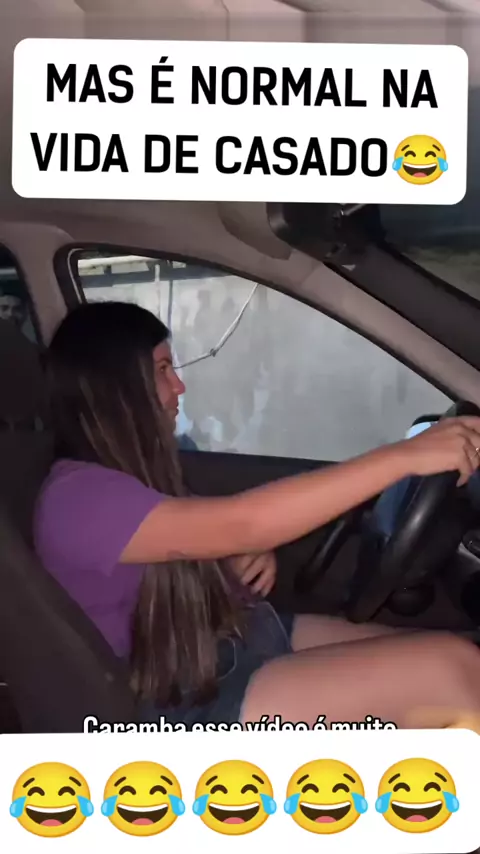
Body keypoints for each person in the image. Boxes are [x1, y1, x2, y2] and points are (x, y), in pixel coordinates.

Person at [34, 301, 480, 729]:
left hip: (224, 644)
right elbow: (242, 523)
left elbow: (198, 547)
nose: (179, 387)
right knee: (452, 672)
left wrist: (229, 562)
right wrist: (405, 457)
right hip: (177, 704)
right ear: (118, 387)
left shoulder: (132, 479)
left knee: (459, 657)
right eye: (163, 369)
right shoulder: (78, 497)